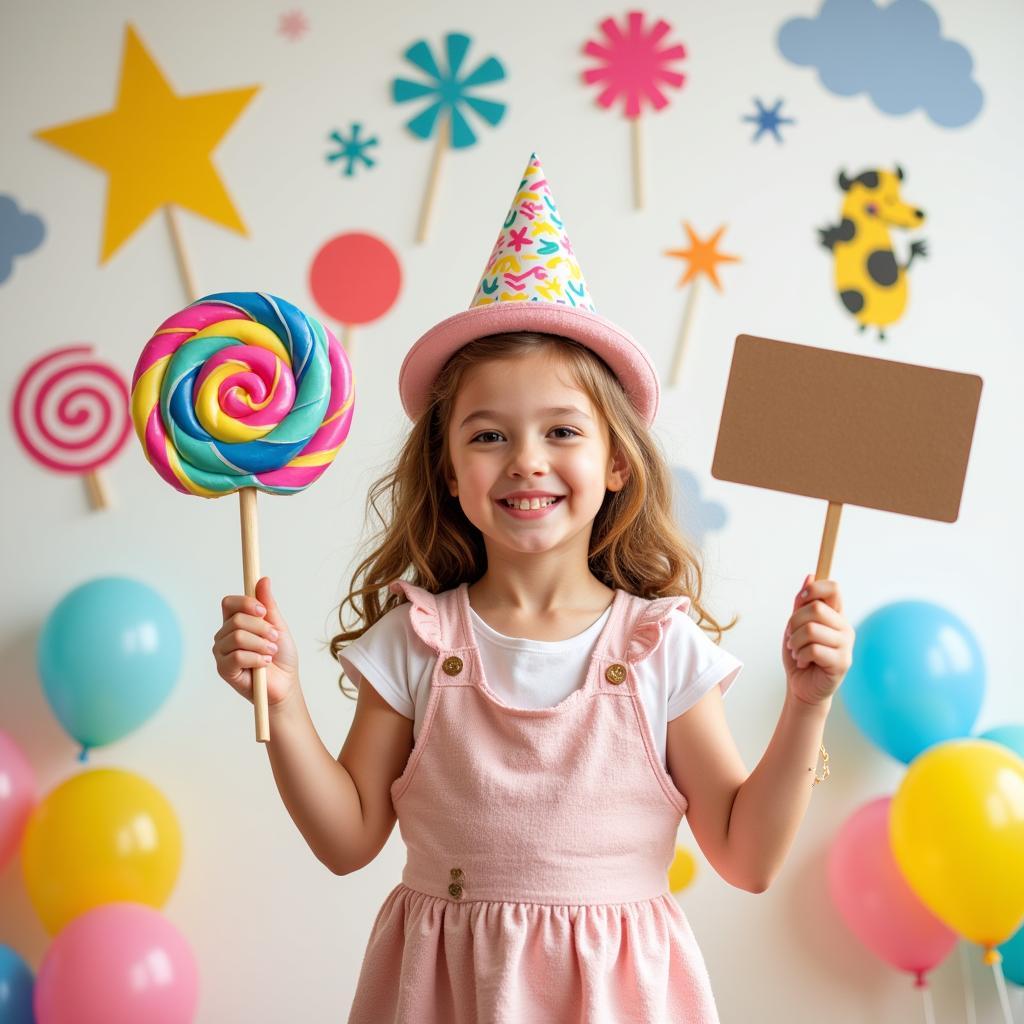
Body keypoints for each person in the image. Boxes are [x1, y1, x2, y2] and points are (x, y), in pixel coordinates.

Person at [212, 155, 855, 1023]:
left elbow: (747, 857)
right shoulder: (416, 639)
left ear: (616, 463)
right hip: (445, 995)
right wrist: (282, 702)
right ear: (445, 467)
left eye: (561, 430)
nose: (526, 460)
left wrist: (808, 702)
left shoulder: (659, 646)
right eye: (487, 435)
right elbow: (346, 840)